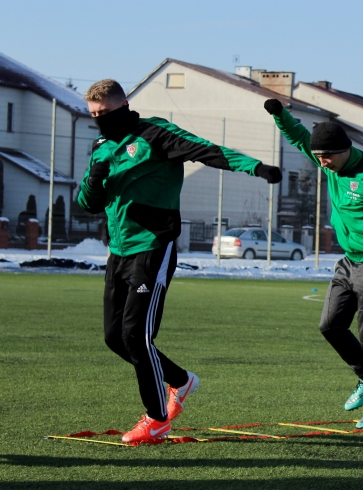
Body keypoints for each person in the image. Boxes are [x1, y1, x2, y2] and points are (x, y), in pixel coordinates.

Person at [77, 80, 282, 443]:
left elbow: (205, 150)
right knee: (114, 339)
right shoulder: (101, 147)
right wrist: (94, 181)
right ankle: (182, 381)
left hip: (153, 246)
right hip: (119, 251)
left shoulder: (155, 134)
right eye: (93, 115)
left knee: (136, 336)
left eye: (104, 113)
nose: (99, 121)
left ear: (123, 105)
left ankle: (157, 421)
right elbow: (88, 202)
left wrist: (255, 168)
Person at [265, 99, 363, 429]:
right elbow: (298, 136)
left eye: (327, 157)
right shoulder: (327, 161)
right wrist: (280, 114)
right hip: (349, 261)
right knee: (330, 326)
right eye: (318, 157)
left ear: (345, 150)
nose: (322, 163)